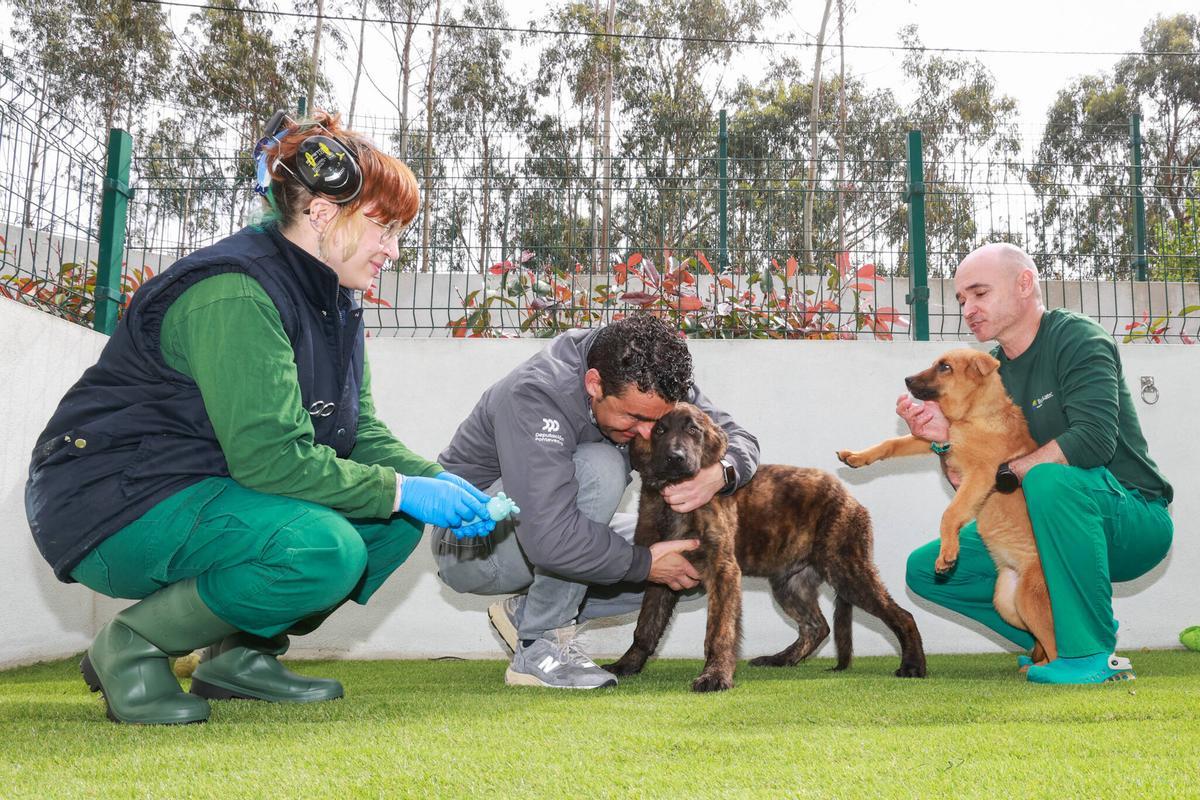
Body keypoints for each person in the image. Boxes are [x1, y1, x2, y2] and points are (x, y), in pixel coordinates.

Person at [25, 110, 495, 725]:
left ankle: (240, 656)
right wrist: (404, 488)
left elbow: (356, 431)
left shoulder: (335, 303)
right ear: (322, 212)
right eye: (383, 227)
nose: (393, 250)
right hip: (114, 497)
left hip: (200, 488)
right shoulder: (236, 290)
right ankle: (133, 645)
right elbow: (272, 459)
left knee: (393, 521)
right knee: (324, 546)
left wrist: (434, 481)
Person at [432, 314, 760, 688]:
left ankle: (528, 612)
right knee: (601, 467)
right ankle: (541, 645)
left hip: (543, 529)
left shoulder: (652, 379)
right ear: (594, 383)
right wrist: (644, 564)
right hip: (471, 541)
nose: (648, 434)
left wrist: (721, 473)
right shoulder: (536, 393)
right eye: (635, 418)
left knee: (693, 554)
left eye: (656, 421)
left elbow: (742, 439)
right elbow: (549, 537)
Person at [901, 243, 1173, 684]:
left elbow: (1093, 440)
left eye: (980, 293)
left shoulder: (1077, 338)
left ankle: (1090, 655)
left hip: (1130, 518)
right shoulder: (989, 373)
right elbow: (984, 491)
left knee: (1047, 478)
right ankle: (1053, 642)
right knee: (926, 571)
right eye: (962, 299)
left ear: (1024, 283)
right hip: (1040, 522)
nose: (968, 309)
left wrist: (1004, 471)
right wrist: (945, 444)